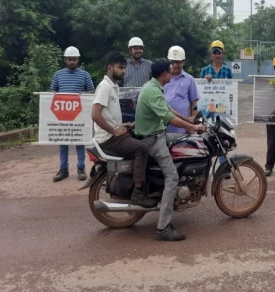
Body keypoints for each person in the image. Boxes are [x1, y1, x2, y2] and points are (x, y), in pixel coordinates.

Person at [135, 59, 205, 242]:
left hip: (159, 135)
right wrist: (193, 127)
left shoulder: (154, 87)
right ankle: (163, 227)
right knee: (172, 177)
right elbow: (167, 116)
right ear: (164, 75)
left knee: (187, 141)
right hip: (153, 140)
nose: (172, 74)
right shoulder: (152, 91)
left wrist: (189, 123)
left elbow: (169, 110)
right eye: (169, 72)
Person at [91, 51, 157, 208]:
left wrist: (122, 126)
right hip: (109, 139)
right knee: (142, 149)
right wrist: (114, 131)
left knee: (143, 139)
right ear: (109, 67)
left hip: (114, 134)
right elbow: (95, 114)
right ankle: (138, 193)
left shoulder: (113, 86)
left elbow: (108, 115)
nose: (123, 71)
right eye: (120, 68)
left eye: (124, 68)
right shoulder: (105, 87)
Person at [51, 46, 95, 182]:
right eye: (69, 59)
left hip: (79, 113)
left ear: (78, 60)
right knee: (63, 141)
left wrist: (84, 95)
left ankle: (81, 168)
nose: (72, 62)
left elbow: (92, 91)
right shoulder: (58, 75)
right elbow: (52, 92)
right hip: (62, 113)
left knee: (79, 141)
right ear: (65, 60)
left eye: (74, 59)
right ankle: (63, 169)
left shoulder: (85, 75)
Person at [164, 46, 199, 134]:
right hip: (164, 124)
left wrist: (191, 122)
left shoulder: (189, 79)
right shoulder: (163, 77)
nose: (175, 65)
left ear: (183, 62)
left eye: (178, 62)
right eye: (173, 62)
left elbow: (194, 104)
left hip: (182, 126)